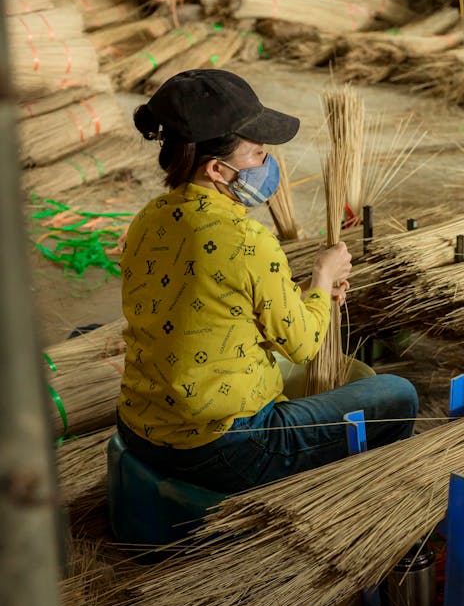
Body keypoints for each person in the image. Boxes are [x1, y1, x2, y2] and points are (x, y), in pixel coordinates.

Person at [116, 68, 419, 493]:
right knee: (396, 394)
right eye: (258, 154)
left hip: (138, 427)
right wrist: (323, 277)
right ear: (218, 170)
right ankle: (364, 503)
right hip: (222, 448)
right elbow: (302, 345)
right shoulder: (246, 239)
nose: (268, 164)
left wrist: (303, 295)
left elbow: (206, 301)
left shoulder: (148, 217)